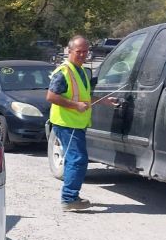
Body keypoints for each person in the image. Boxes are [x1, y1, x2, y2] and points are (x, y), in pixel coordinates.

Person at [46, 36, 116, 212]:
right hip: (66, 123)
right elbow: (51, 97)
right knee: (77, 160)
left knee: (75, 159)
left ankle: (70, 197)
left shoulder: (82, 71)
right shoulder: (64, 71)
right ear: (69, 51)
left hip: (76, 123)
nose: (83, 55)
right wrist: (75, 106)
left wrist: (104, 101)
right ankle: (69, 199)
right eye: (79, 52)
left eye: (86, 51)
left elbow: (83, 97)